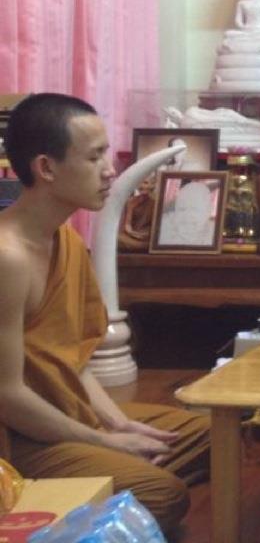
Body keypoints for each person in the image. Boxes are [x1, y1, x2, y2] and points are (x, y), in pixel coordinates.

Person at [0, 94, 210, 534]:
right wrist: (103, 440)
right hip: (20, 441)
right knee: (163, 494)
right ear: (46, 168)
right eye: (94, 157)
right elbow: (7, 395)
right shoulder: (8, 258)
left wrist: (119, 423)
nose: (110, 170)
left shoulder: (66, 240)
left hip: (70, 414)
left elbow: (75, 359)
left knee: (217, 434)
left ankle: (105, 481)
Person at [157, 181, 217, 247]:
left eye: (194, 209)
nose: (188, 216)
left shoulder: (213, 230)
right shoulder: (165, 224)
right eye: (182, 209)